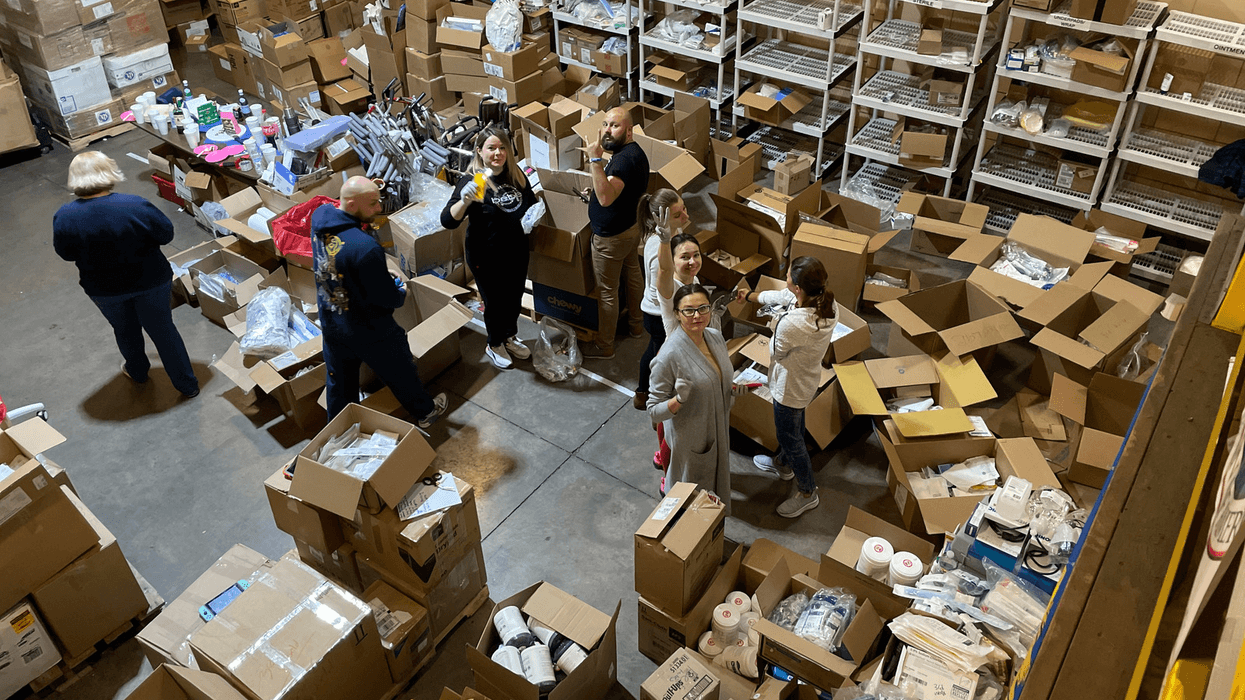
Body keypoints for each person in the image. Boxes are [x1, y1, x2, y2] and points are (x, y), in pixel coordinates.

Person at [52, 151, 200, 398]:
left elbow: (66, 253)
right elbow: (166, 235)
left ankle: (138, 371)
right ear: (109, 172)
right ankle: (187, 385)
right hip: (150, 280)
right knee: (163, 330)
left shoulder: (65, 216)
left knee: (125, 330)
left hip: (104, 289)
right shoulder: (135, 205)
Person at [312, 176, 447, 426]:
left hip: (333, 320)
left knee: (339, 384)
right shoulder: (364, 248)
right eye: (373, 203)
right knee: (400, 372)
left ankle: (340, 430)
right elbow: (387, 299)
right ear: (352, 205)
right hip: (370, 330)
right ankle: (425, 413)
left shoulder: (320, 219)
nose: (379, 209)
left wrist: (379, 271)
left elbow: (340, 262)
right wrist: (401, 292)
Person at [736, 256, 838, 518]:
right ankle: (783, 465)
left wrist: (776, 322)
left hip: (789, 388)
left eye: (789, 275)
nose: (786, 277)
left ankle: (807, 492)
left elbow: (776, 353)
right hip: (806, 380)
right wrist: (751, 297)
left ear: (799, 288)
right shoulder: (827, 303)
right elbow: (780, 296)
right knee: (793, 429)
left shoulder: (794, 323)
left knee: (790, 439)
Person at [441, 125, 538, 370]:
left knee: (513, 298)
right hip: (486, 255)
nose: (497, 153)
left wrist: (535, 215)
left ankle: (509, 336)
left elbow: (530, 203)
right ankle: (494, 343)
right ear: (479, 151)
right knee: (494, 302)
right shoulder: (475, 181)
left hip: (516, 251)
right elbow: (448, 221)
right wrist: (464, 200)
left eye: (502, 147)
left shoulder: (515, 175)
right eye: (491, 148)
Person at [647, 284, 745, 506]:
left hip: (717, 428)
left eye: (703, 308)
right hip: (691, 438)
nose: (697, 316)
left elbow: (716, 376)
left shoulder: (714, 337)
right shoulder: (669, 355)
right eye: (688, 310)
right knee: (688, 496)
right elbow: (653, 410)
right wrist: (678, 400)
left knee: (710, 489)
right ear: (677, 314)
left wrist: (731, 388)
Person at [583, 106, 650, 359]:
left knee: (607, 292)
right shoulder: (634, 152)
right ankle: (636, 325)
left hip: (611, 238)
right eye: (605, 124)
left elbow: (605, 197)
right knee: (632, 272)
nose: (608, 131)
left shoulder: (620, 161)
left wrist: (594, 161)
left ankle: (605, 345)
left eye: (615, 126)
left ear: (629, 131)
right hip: (631, 228)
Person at [634, 189, 691, 410]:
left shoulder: (669, 233)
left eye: (684, 208)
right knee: (657, 356)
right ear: (660, 218)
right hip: (658, 313)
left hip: (660, 309)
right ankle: (644, 393)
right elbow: (665, 287)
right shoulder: (660, 249)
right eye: (678, 215)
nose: (685, 217)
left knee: (655, 351)